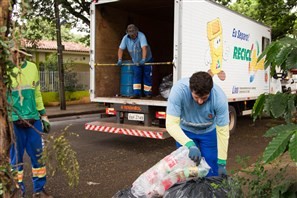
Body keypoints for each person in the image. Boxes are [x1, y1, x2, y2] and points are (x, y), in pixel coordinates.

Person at [8, 47, 53, 198]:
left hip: (34, 121)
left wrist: (44, 115)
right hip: (14, 122)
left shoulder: (32, 68)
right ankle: (17, 191)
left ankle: (39, 190)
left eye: (19, 52)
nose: (16, 55)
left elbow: (37, 93)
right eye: (13, 52)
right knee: (16, 161)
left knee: (39, 157)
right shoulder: (5, 71)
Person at [165, 71, 229, 177]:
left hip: (208, 132)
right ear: (190, 90)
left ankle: (209, 191)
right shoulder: (178, 91)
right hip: (186, 131)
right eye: (196, 97)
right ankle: (187, 192)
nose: (200, 102)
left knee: (211, 166)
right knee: (186, 169)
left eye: (204, 98)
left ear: (210, 91)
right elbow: (171, 124)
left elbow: (223, 132)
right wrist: (189, 144)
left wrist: (222, 162)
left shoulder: (219, 98)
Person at [117, 24, 153, 99]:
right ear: (128, 33)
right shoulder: (125, 38)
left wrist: (143, 59)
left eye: (133, 34)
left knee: (147, 75)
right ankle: (137, 93)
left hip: (147, 59)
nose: (132, 36)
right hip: (136, 61)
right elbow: (121, 49)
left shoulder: (141, 36)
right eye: (131, 34)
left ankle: (148, 93)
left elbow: (144, 48)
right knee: (136, 75)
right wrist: (119, 59)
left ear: (136, 32)